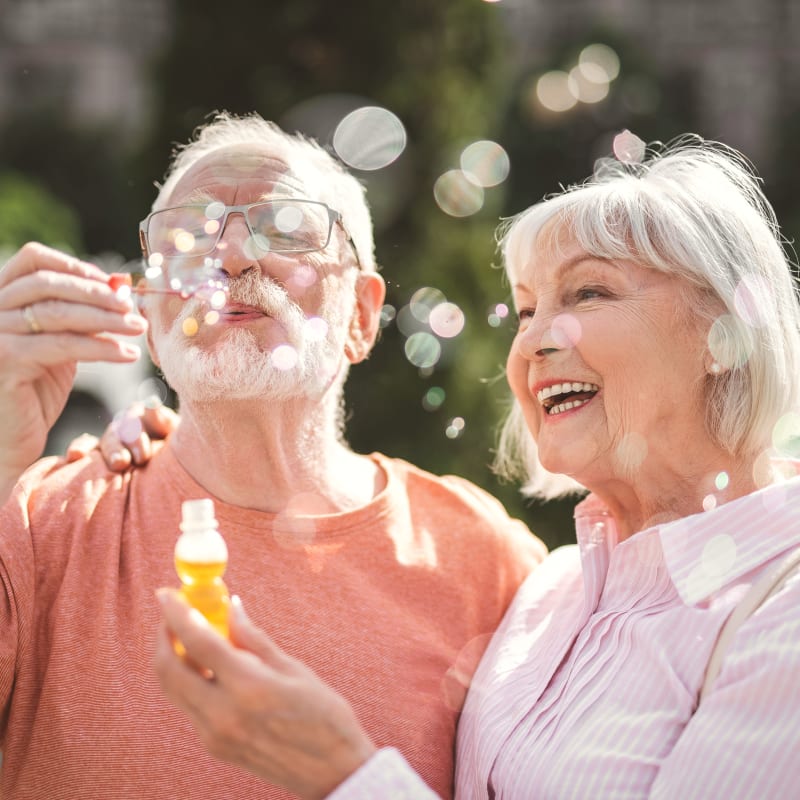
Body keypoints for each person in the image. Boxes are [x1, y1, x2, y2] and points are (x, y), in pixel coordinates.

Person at [122, 133, 800, 798]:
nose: (533, 339)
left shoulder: (783, 613)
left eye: (588, 294)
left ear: (725, 333)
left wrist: (343, 774)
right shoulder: (546, 589)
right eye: (528, 309)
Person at [0, 113, 545, 799]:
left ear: (361, 315)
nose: (230, 256)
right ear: (150, 312)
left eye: (285, 229)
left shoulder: (482, 559)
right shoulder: (38, 522)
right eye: (188, 234)